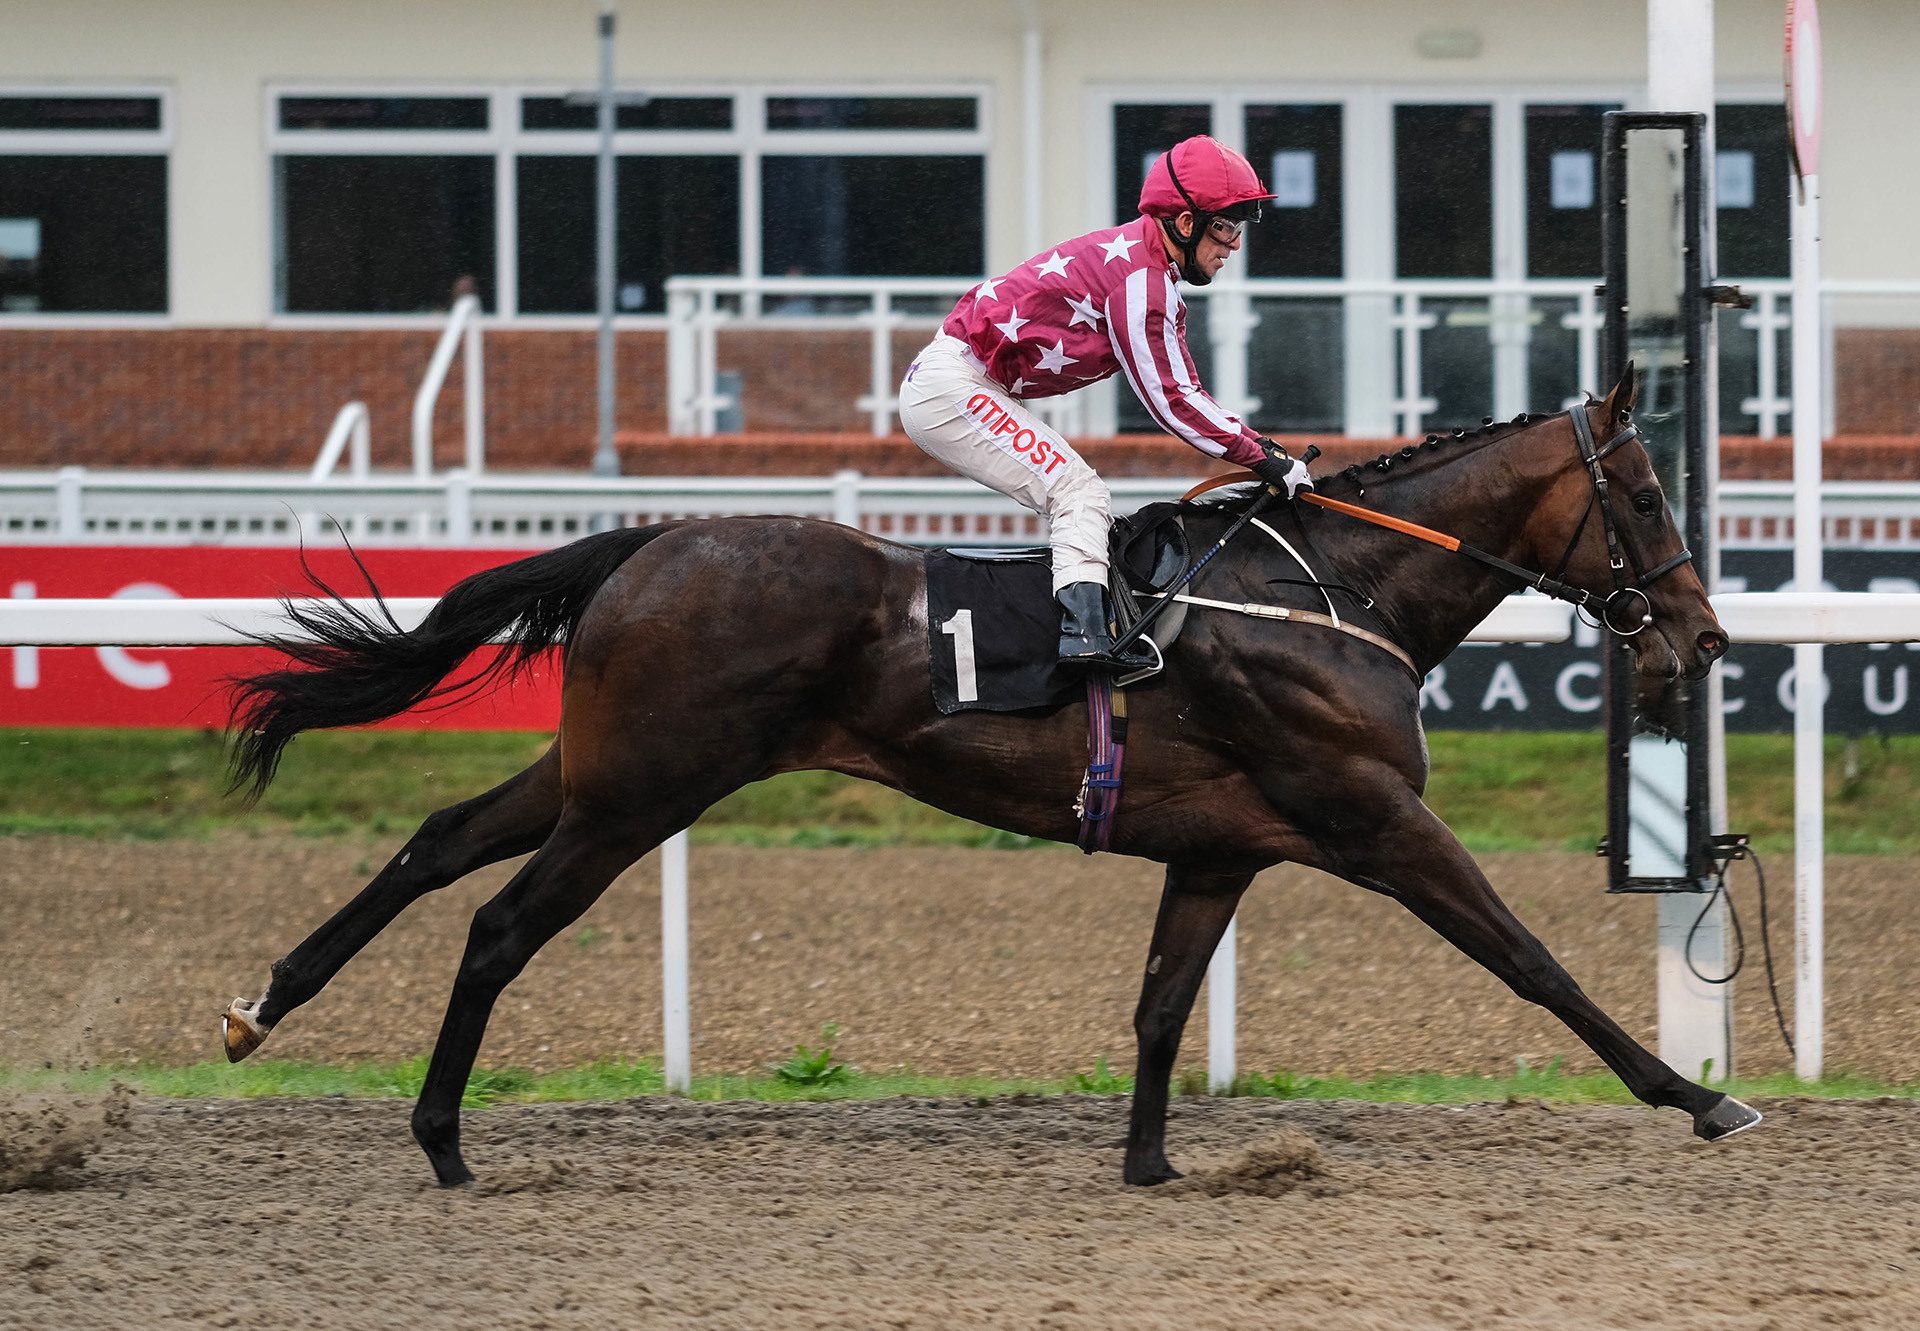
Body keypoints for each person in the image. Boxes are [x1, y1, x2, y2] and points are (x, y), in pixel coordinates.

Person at [898, 134, 1313, 674]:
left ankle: (1086, 626)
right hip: (953, 387)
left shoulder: (1143, 267)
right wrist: (1264, 456)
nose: (1234, 244)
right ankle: (1084, 638)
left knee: (1080, 495)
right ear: (1185, 223)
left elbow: (1179, 391)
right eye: (1227, 226)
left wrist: (1259, 450)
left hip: (961, 380)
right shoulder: (1143, 284)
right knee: (1079, 493)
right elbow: (1174, 401)